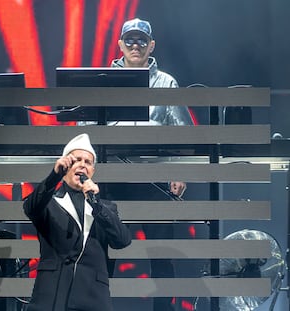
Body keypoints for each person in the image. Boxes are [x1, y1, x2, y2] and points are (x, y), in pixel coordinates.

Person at [111, 18, 192, 310]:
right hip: (113, 178)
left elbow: (183, 133)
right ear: (120, 45)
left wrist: (179, 171)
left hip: (154, 180)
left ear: (151, 46)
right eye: (129, 40)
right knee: (104, 252)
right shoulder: (104, 81)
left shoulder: (167, 82)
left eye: (141, 41)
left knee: (160, 254)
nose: (135, 46)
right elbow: (86, 126)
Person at [23, 133, 132, 311]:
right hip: (52, 297)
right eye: (76, 160)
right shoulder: (49, 203)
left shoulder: (105, 208)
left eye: (87, 162)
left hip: (92, 297)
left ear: (92, 171)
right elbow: (30, 207)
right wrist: (53, 177)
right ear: (65, 167)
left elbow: (122, 240)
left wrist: (96, 203)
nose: (82, 164)